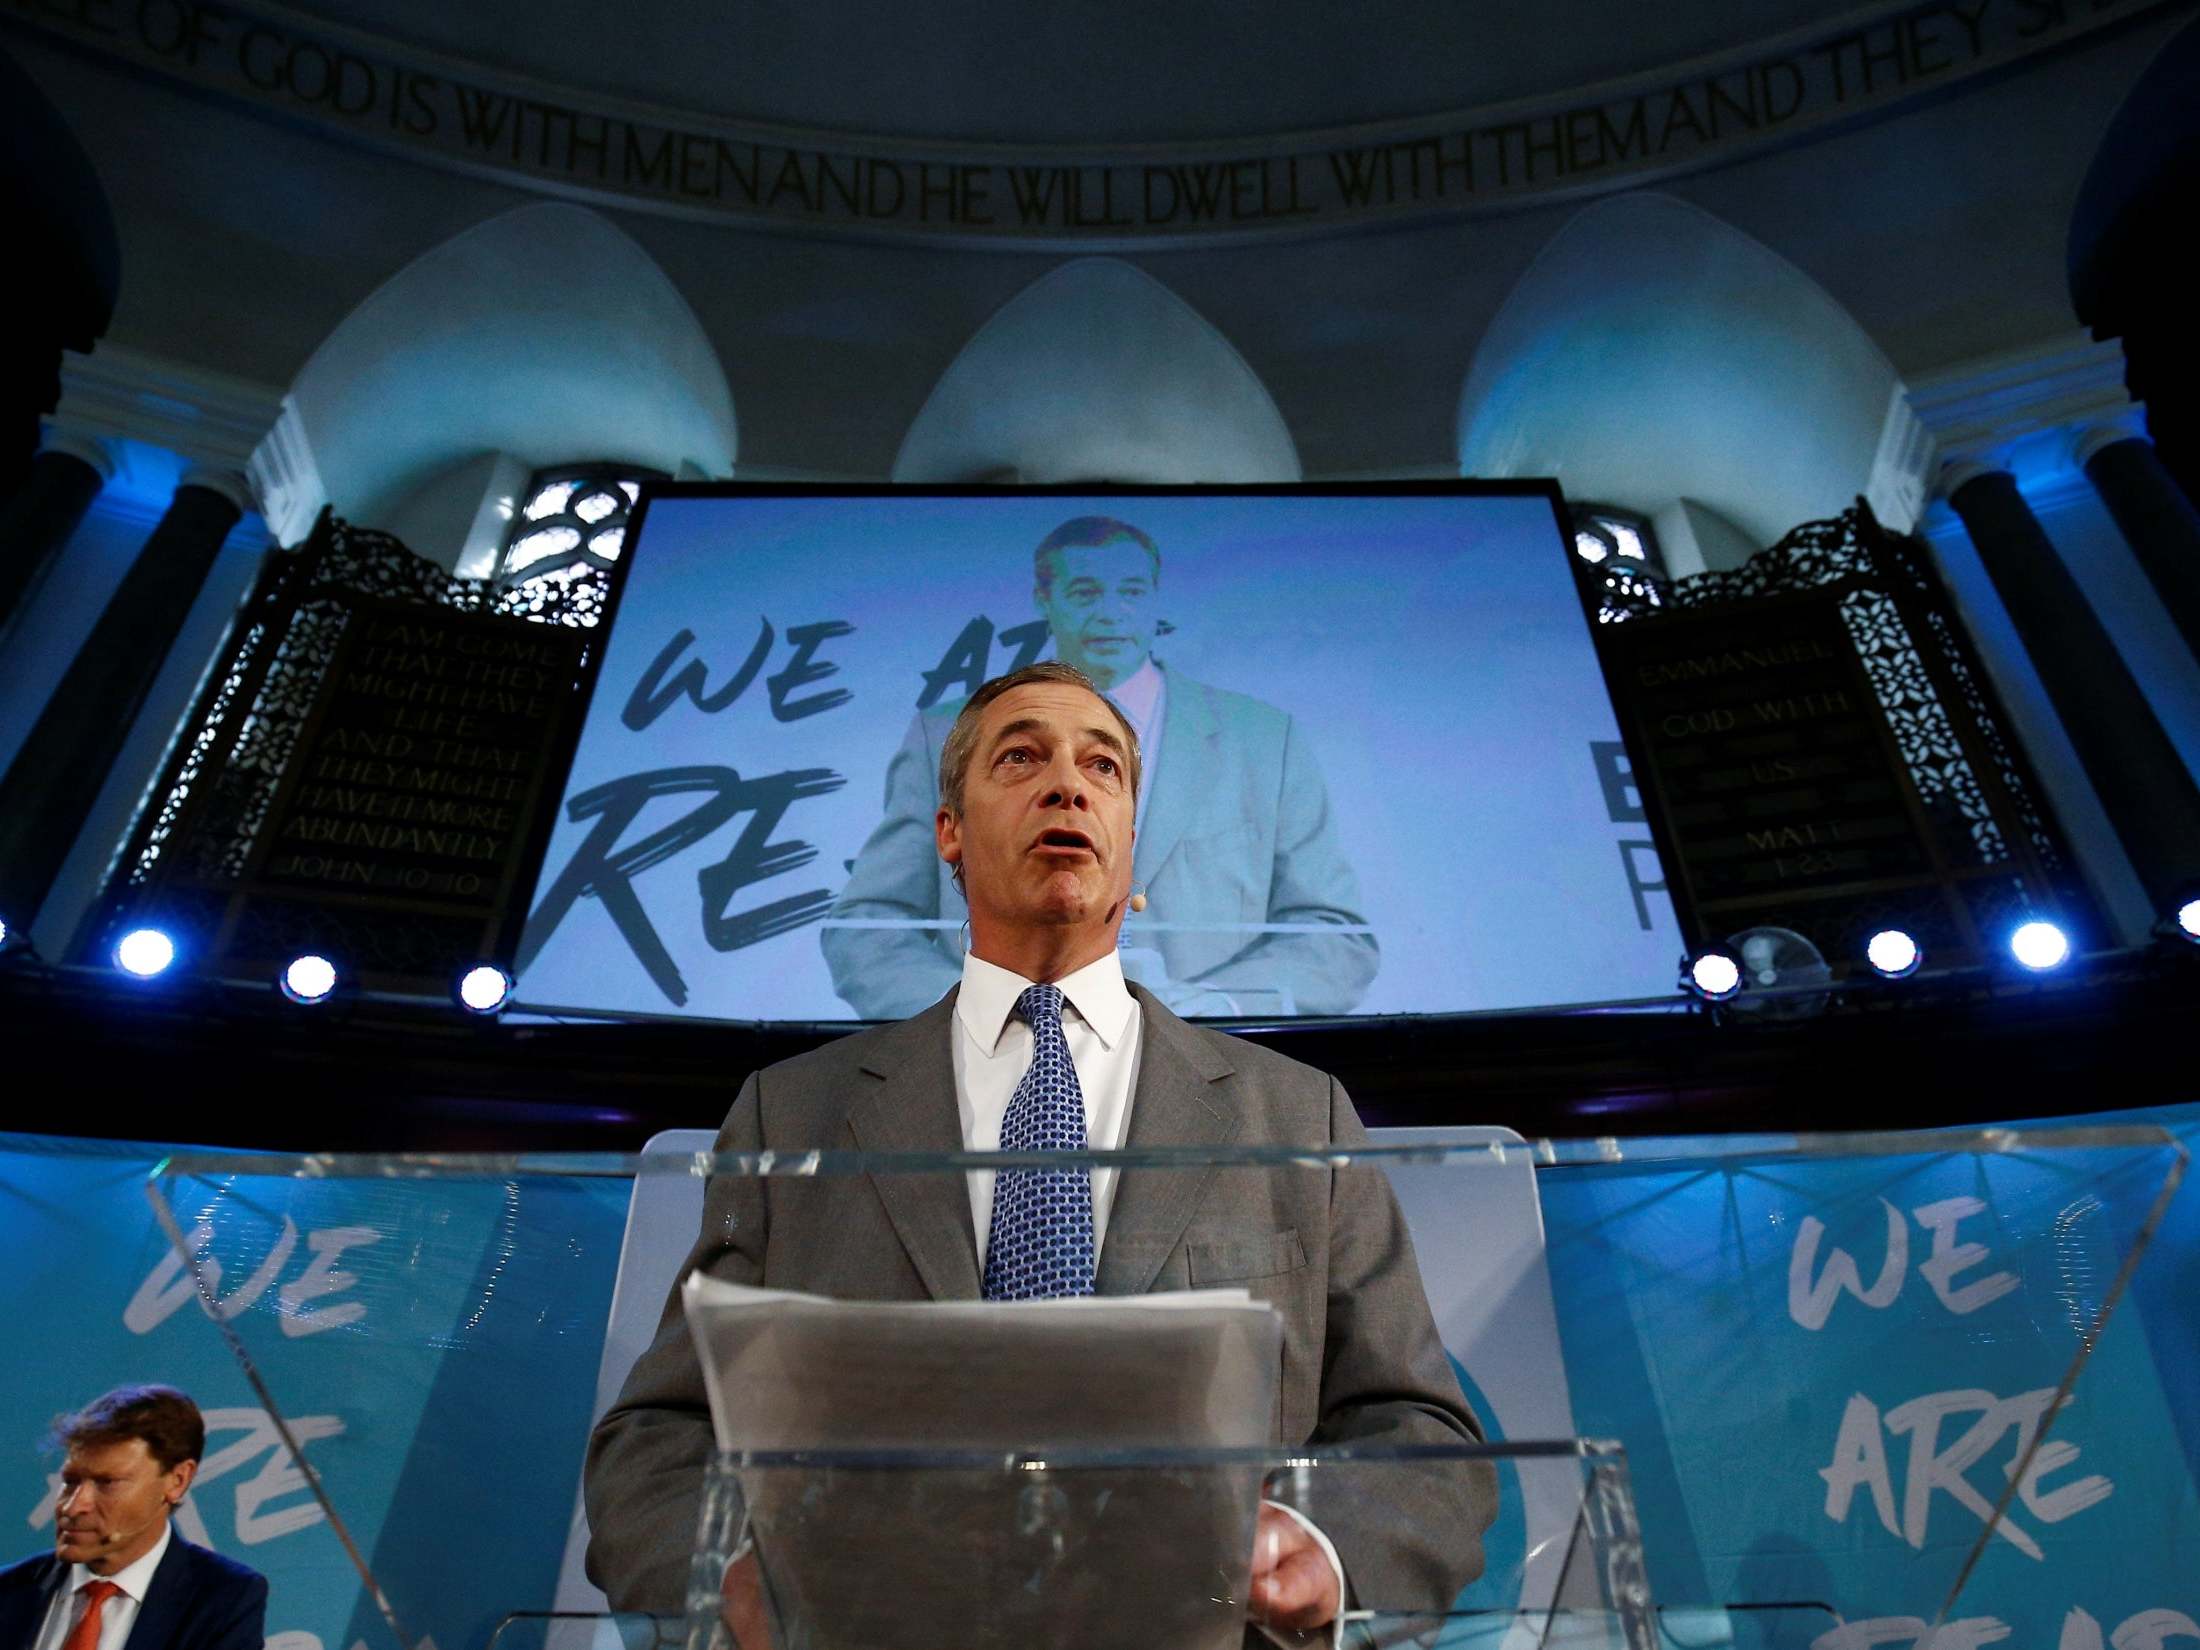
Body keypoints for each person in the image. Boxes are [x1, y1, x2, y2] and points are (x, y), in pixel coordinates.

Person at [587, 661, 1494, 1641]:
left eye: (1102, 767)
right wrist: (727, 1571)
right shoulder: (793, 1113)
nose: (1068, 784)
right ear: (947, 833)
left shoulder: (1296, 1115)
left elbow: (1422, 1434)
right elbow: (658, 1438)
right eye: (1022, 757)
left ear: (1130, 843)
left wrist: (1325, 1546)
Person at [821, 515, 1378, 1020]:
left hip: (1210, 1077)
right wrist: (988, 1016)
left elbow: (1335, 939)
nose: (1111, 611)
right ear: (1044, 597)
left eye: (1131, 591)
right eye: (1086, 591)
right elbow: (866, 929)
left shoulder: (1262, 738)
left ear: (1157, 599)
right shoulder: (943, 733)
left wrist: (1214, 1011)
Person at [0, 1386, 267, 1650]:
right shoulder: (9, 1591)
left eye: (107, 1483)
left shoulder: (224, 1599)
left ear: (177, 1481)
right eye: (70, 1481)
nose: (72, 1507)